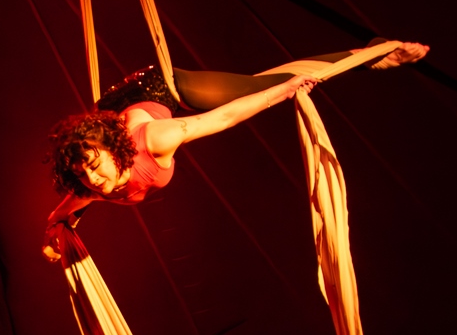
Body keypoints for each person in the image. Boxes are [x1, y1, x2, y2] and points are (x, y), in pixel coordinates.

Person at [42, 42, 429, 261]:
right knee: (84, 169)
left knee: (264, 84)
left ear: (111, 151)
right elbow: (60, 213)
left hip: (156, 90)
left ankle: (371, 54)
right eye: (83, 174)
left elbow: (224, 118)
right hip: (108, 115)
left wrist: (283, 92)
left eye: (95, 167)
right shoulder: (91, 185)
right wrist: (52, 235)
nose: (93, 179)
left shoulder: (157, 138)